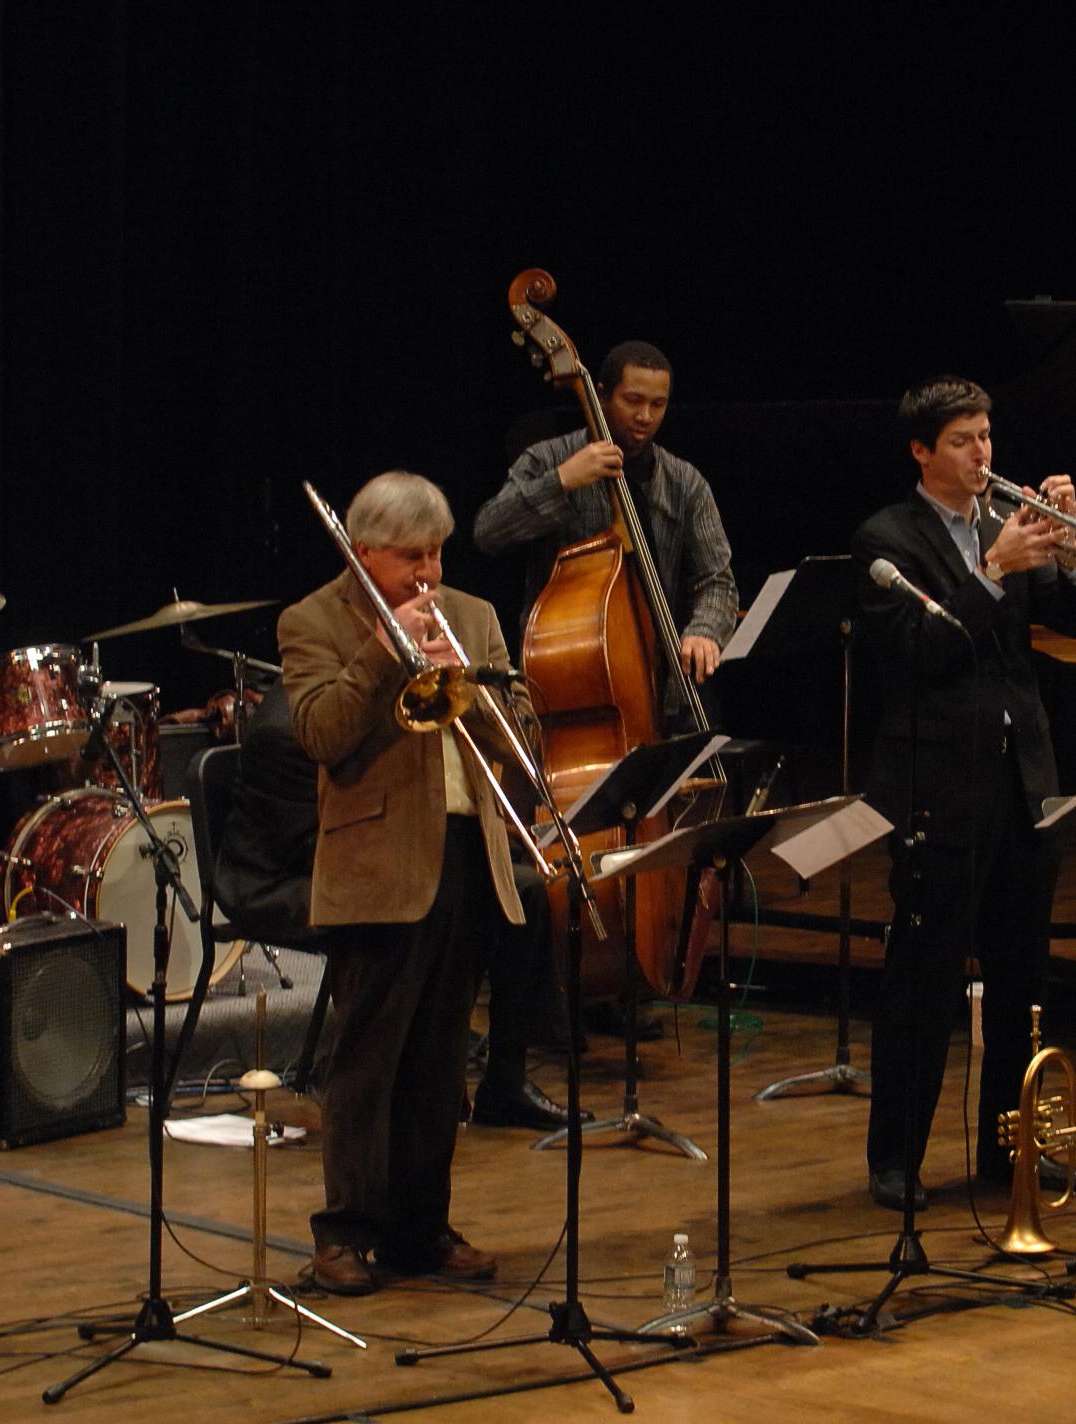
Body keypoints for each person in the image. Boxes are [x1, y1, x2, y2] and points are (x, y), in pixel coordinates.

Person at [849, 374, 1076, 1211]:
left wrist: (1066, 552)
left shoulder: (1008, 524)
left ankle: (1008, 1152)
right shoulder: (887, 538)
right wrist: (993, 572)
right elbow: (925, 649)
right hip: (937, 784)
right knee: (922, 977)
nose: (982, 454)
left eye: (987, 437)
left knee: (1021, 978)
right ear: (923, 451)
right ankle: (895, 1158)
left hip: (1022, 780)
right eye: (963, 441)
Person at [278, 470, 527, 1296]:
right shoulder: (314, 619)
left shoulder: (474, 616)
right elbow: (322, 733)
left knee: (437, 1063)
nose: (430, 572)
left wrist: (478, 689)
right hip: (378, 866)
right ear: (364, 551)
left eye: (438, 552)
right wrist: (385, 655)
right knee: (366, 1065)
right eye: (411, 556)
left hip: (467, 854)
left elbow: (517, 727)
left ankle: (422, 1229)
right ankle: (344, 1234)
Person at [214, 681, 576, 1130]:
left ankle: (506, 1081)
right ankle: (390, 1081)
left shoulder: (372, 704)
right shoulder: (297, 725)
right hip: (282, 880)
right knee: (421, 904)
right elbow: (328, 844)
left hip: (361, 862)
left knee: (522, 892)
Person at [471, 340, 737, 703]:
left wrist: (705, 631)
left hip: (663, 686)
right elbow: (488, 531)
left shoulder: (684, 482)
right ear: (602, 395)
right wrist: (562, 480)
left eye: (657, 405)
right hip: (567, 678)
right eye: (633, 400)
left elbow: (717, 582)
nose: (645, 416)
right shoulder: (550, 457)